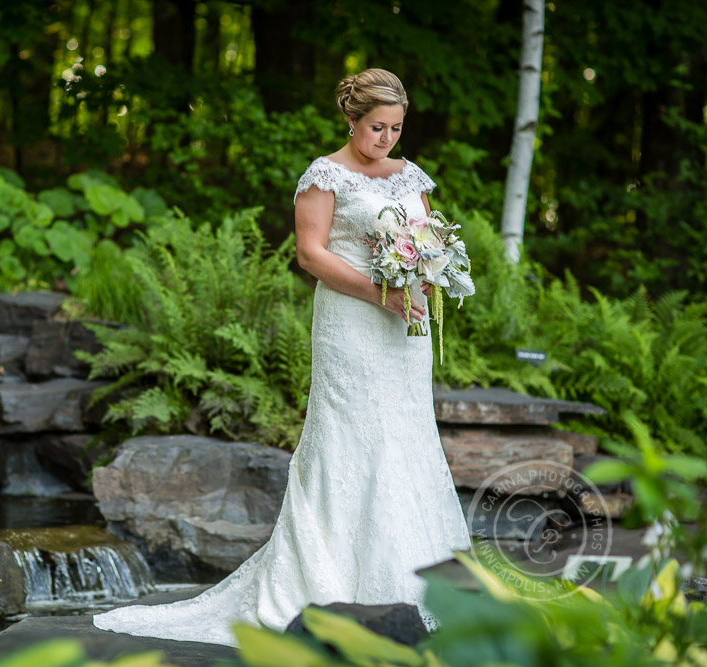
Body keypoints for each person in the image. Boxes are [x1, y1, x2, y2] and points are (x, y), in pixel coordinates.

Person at [91, 68, 471, 647]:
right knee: (348, 438)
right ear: (352, 119)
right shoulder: (325, 175)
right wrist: (379, 292)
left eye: (395, 127)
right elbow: (311, 254)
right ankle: (328, 584)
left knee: (407, 436)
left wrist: (427, 272)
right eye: (377, 127)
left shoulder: (409, 175)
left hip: (404, 330)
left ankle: (416, 585)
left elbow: (423, 236)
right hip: (352, 324)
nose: (387, 138)